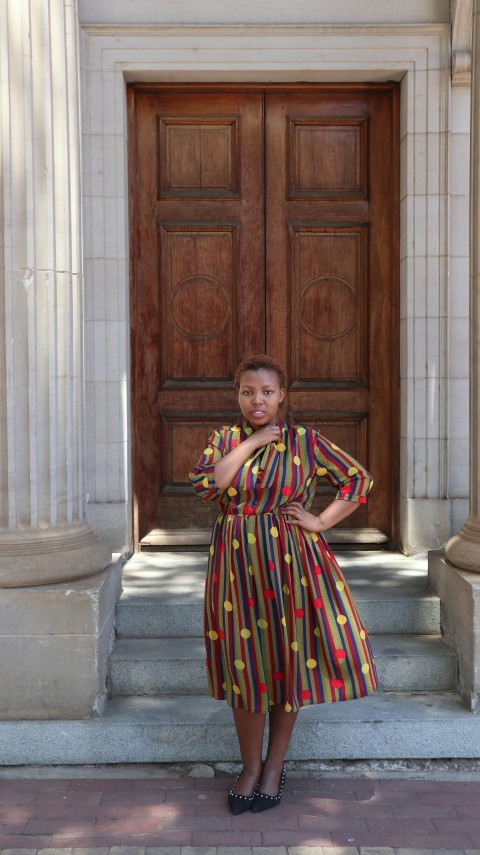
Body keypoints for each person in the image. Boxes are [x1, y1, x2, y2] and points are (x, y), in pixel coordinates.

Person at [189, 354, 377, 814]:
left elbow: (358, 479)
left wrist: (320, 522)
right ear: (238, 395)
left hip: (293, 565)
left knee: (286, 664)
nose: (258, 399)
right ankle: (249, 767)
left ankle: (274, 766)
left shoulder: (307, 441)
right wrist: (253, 441)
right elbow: (212, 483)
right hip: (236, 567)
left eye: (267, 392)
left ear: (282, 396)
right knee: (245, 665)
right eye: (248, 391)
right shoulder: (225, 440)